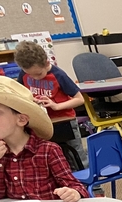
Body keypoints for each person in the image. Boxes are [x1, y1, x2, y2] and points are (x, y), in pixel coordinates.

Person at [13, 40, 87, 169]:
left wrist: (56, 106)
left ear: (47, 63)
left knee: (76, 158)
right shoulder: (24, 74)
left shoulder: (58, 75)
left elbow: (79, 99)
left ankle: (87, 181)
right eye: (30, 75)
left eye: (38, 74)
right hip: (41, 124)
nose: (35, 78)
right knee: (52, 158)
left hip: (65, 121)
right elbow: (21, 94)